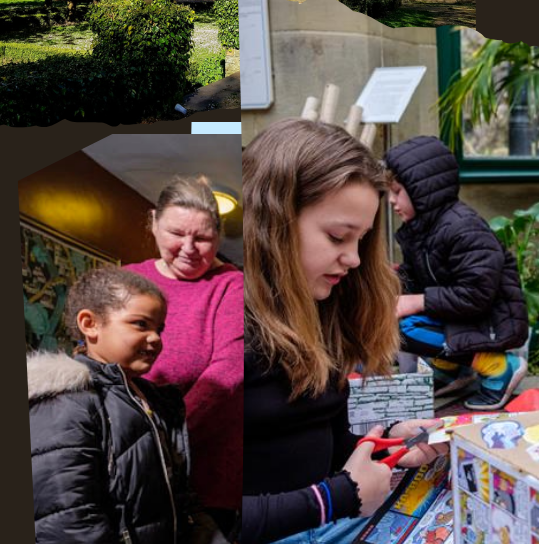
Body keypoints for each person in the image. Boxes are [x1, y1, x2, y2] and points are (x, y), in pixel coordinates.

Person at [244, 120, 445, 544]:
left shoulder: (322, 309)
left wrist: (383, 442)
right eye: (338, 237)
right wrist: (333, 498)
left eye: (361, 240)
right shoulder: (232, 334)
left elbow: (321, 438)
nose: (354, 259)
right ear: (271, 223)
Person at [29, 265, 216, 544]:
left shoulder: (153, 400)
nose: (156, 338)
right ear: (90, 324)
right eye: (140, 324)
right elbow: (69, 519)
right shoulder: (65, 403)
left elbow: (181, 496)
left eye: (159, 328)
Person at [126, 175, 243, 531]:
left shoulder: (232, 284)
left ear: (218, 236)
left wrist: (163, 438)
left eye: (203, 238)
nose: (189, 248)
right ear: (154, 223)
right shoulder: (126, 281)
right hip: (129, 464)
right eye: (176, 233)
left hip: (204, 472)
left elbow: (229, 369)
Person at [385, 136, 529, 411]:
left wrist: (416, 301)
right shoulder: (421, 230)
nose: (391, 200)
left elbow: (477, 294)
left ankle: (499, 367)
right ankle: (450, 367)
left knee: (406, 328)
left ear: (422, 189)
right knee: (394, 320)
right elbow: (415, 278)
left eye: (397, 191)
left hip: (491, 323)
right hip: (460, 317)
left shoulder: (464, 228)